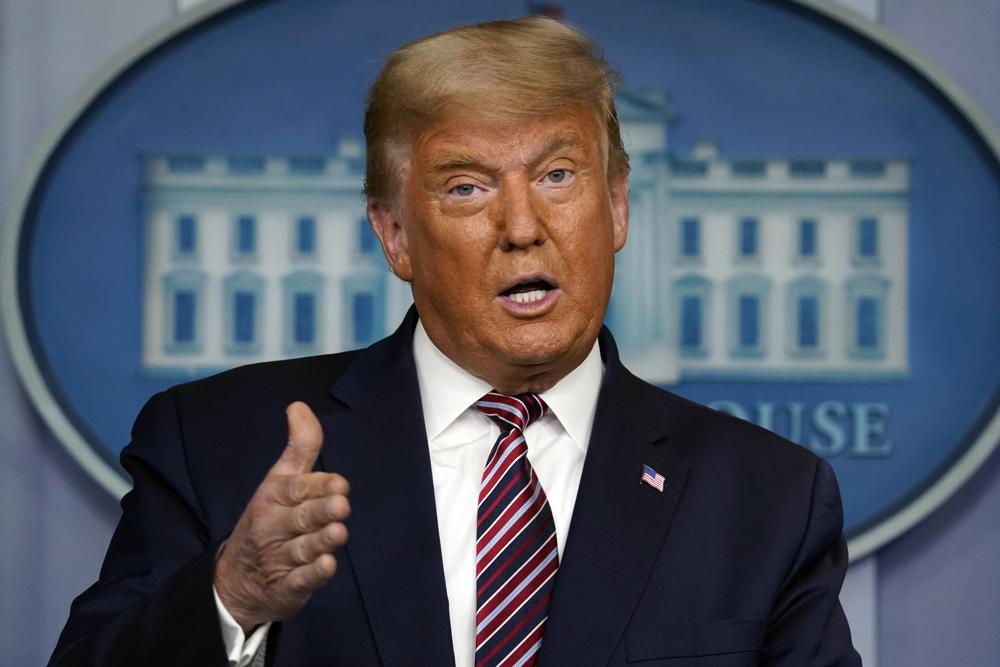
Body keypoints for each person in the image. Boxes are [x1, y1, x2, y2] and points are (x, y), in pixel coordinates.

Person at [49, 16, 861, 667]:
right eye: (468, 187)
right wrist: (234, 597)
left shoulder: (769, 497)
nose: (522, 228)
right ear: (395, 235)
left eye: (557, 175)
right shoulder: (219, 443)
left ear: (616, 207)